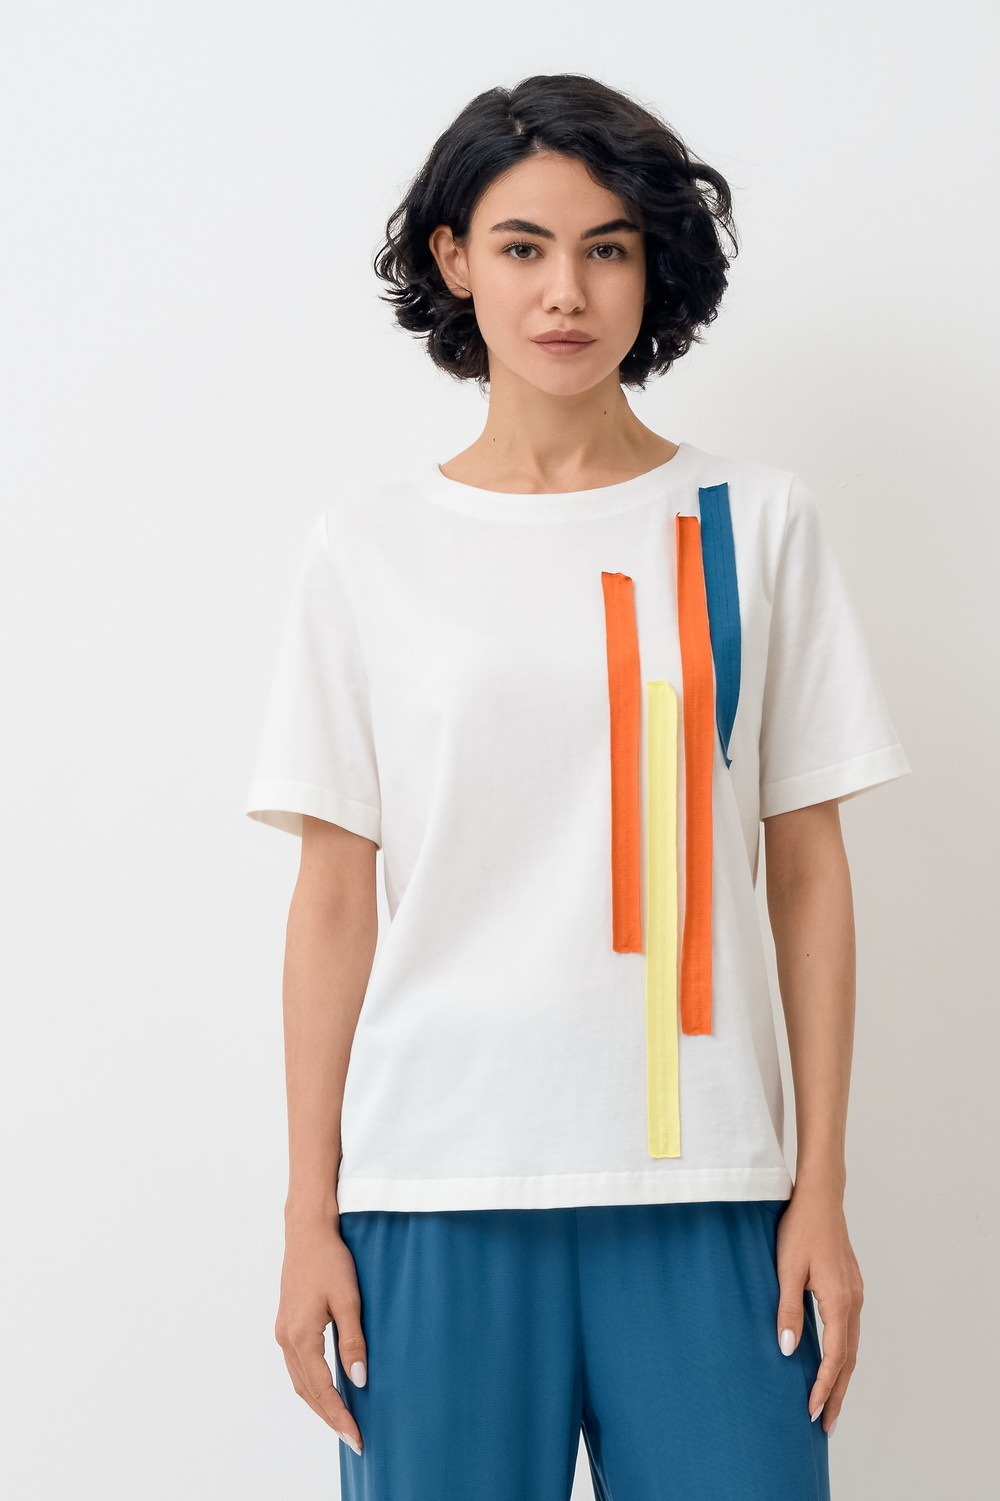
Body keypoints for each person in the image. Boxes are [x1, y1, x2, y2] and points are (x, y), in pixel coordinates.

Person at [244, 73, 911, 1501]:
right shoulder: (370, 548)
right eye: (523, 245)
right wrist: (309, 1215)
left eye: (607, 247)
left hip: (712, 1186)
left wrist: (822, 1188)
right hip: (435, 1189)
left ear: (651, 266)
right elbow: (334, 904)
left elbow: (807, 872)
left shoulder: (753, 522)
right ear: (454, 260)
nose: (566, 291)